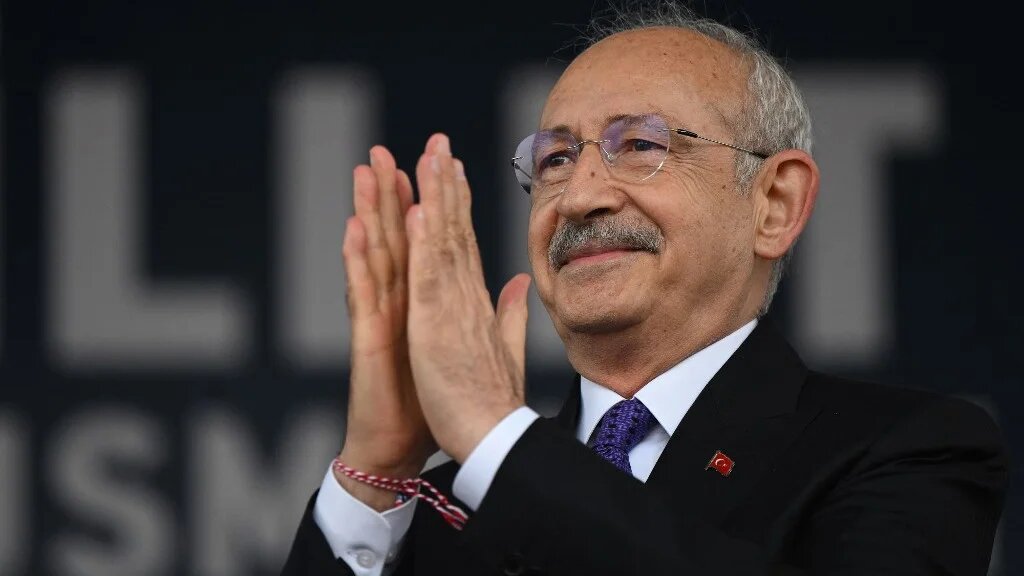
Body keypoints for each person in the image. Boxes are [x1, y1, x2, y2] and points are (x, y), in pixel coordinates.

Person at [282, 4, 1009, 575]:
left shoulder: (908, 450)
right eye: (556, 159)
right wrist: (374, 474)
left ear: (774, 203)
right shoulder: (435, 509)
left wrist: (493, 434)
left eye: (640, 146)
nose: (579, 197)